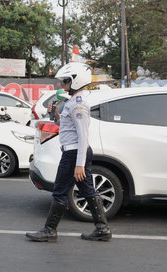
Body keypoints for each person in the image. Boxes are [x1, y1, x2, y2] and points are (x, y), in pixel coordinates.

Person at [26, 63, 112, 242]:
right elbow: (70, 129)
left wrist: (79, 164)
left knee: (59, 192)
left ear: (76, 81)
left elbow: (83, 136)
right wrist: (57, 118)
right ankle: (102, 229)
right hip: (74, 153)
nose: (62, 85)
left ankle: (49, 230)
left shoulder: (78, 105)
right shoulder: (72, 103)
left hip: (74, 155)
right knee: (87, 190)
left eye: (66, 81)